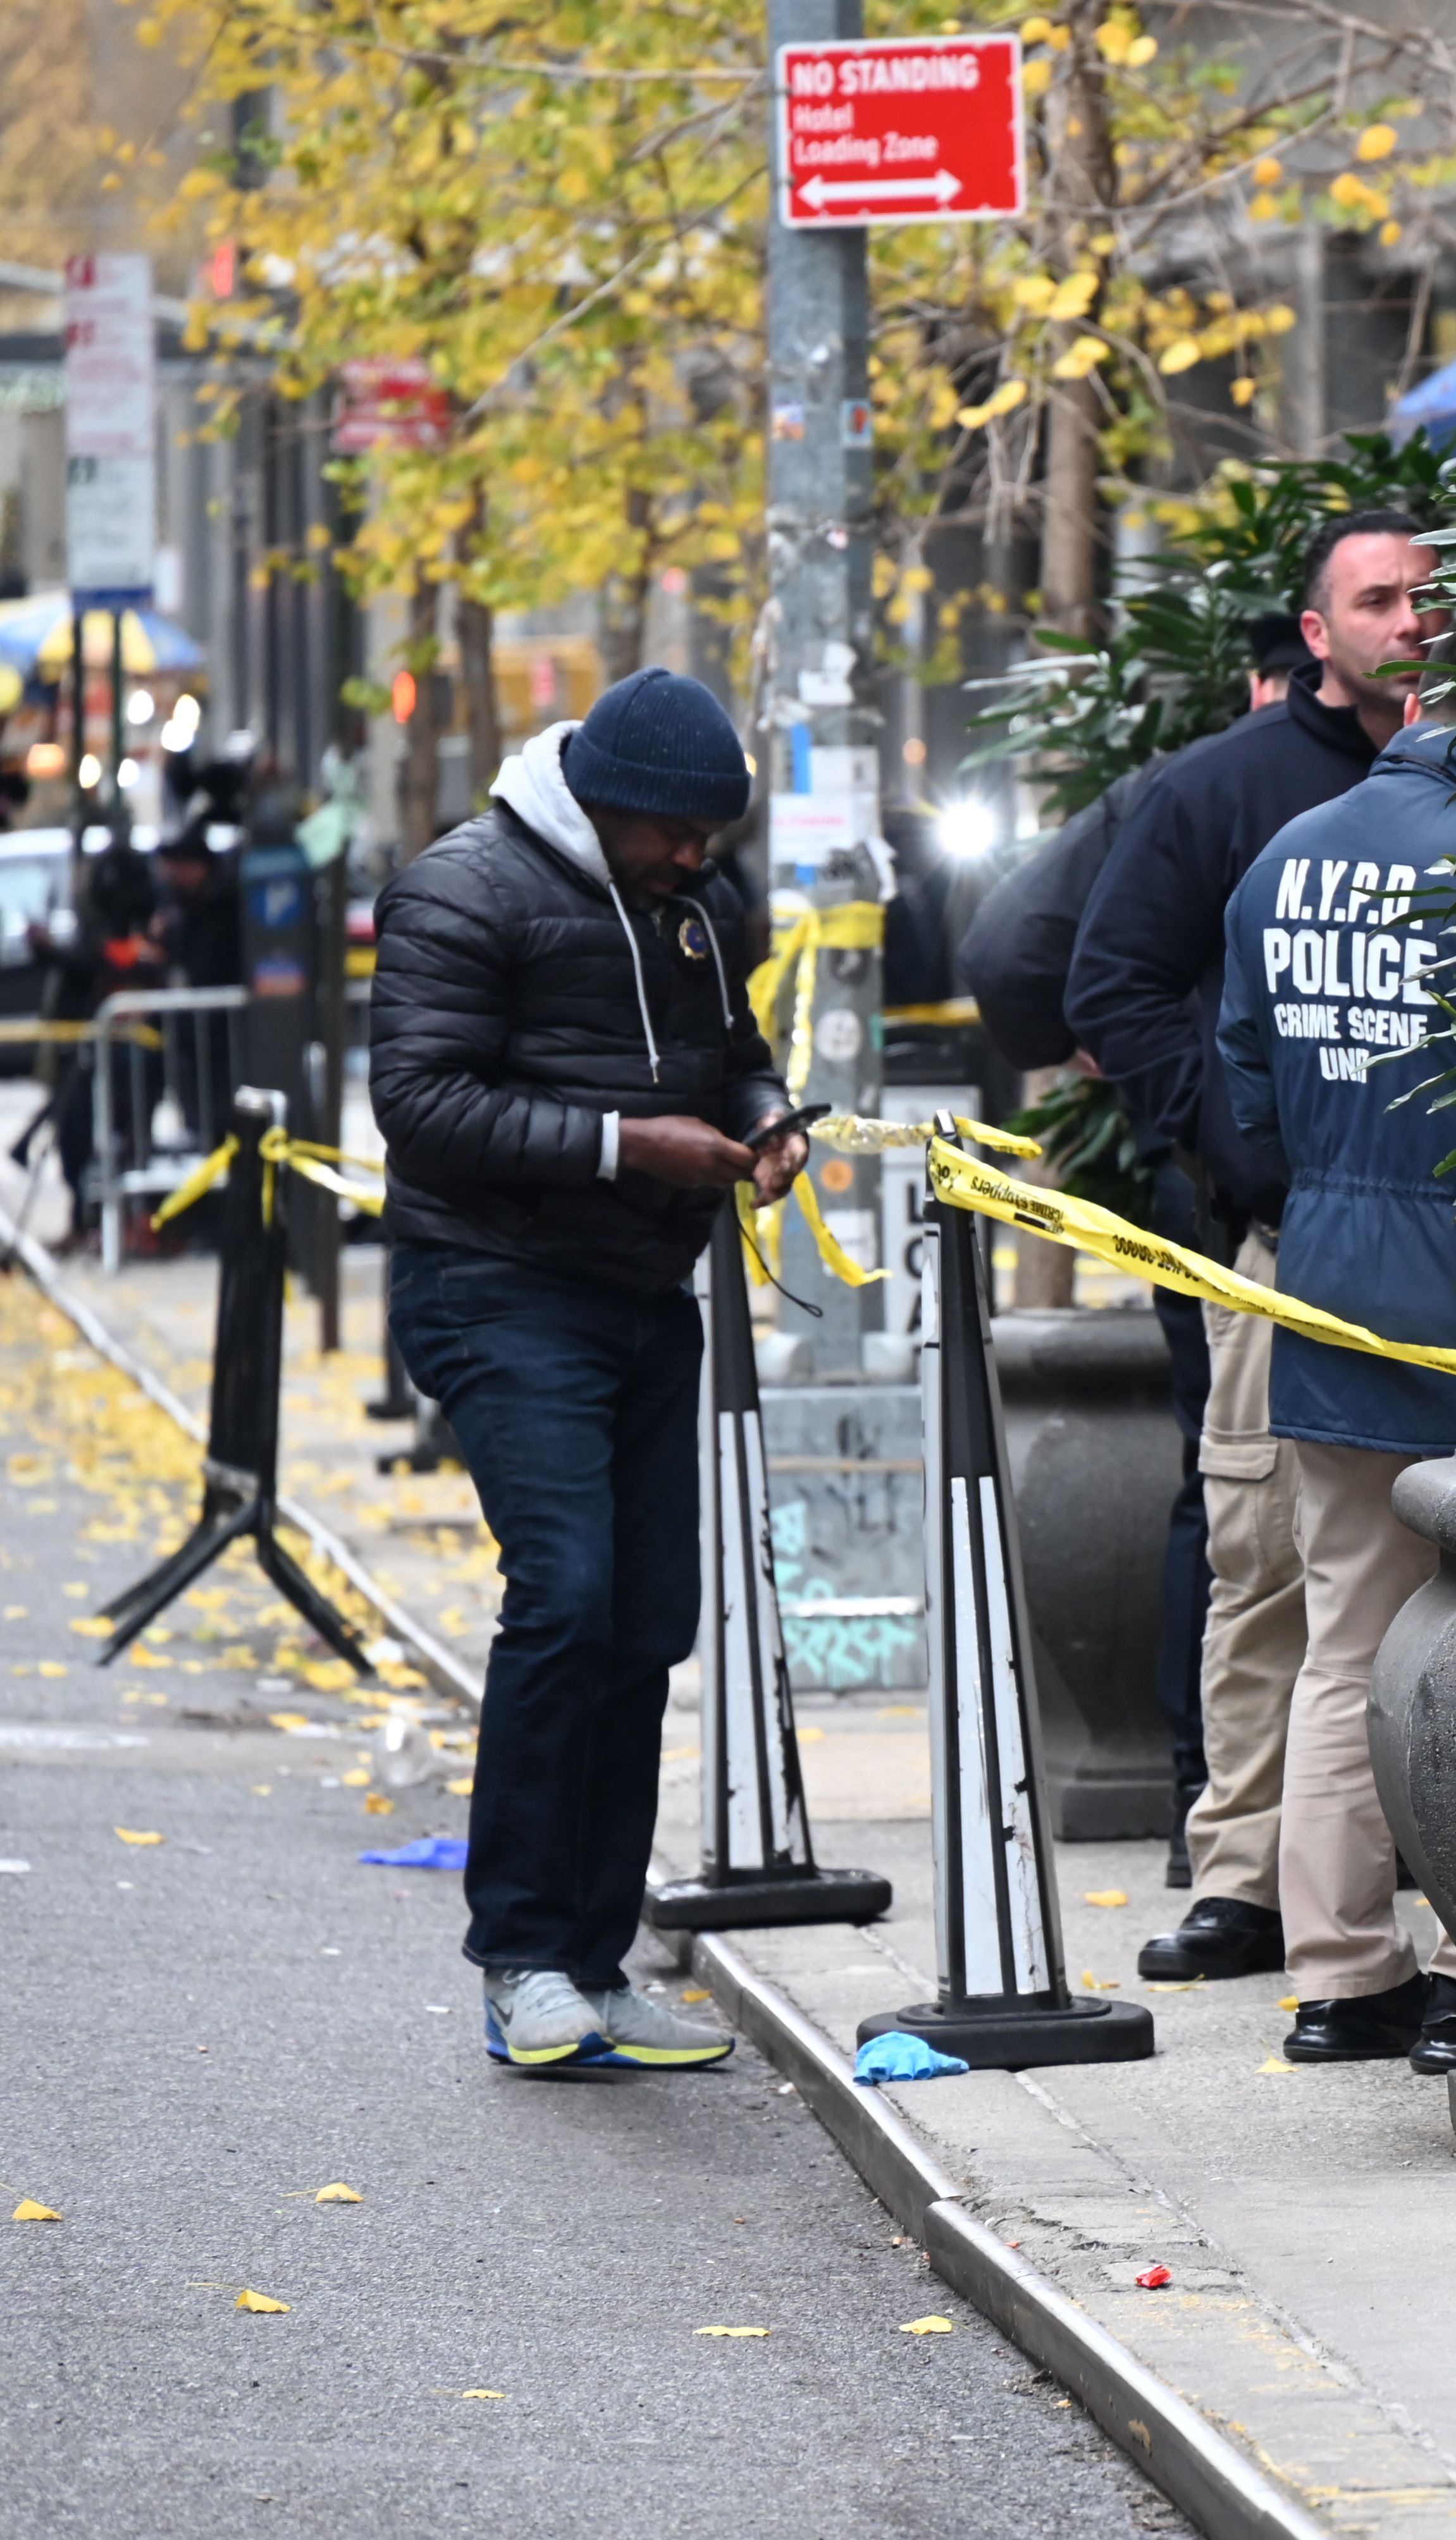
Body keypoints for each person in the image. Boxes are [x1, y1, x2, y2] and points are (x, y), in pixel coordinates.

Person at [371, 669, 808, 2068]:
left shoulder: (692, 903)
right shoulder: (462, 890)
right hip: (494, 1282)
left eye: (712, 839)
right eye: (680, 834)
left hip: (640, 1289)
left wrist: (766, 1114)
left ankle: (596, 1961)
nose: (701, 859)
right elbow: (419, 1104)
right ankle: (519, 1957)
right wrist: (632, 1144)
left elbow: (730, 1050)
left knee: (646, 1620)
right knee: (562, 1594)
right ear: (606, 801)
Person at [1068, 512, 1437, 1982]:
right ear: (1316, 634)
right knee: (1265, 1565)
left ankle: (1377, 1874)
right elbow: (1109, 979)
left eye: (1429, 596)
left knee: (1398, 1576)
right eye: (1380, 599)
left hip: (1445, 1263)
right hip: (1272, 1250)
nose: (1414, 620)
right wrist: (1232, 1148)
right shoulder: (1225, 791)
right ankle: (1240, 1872)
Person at [1213, 675, 1456, 2076]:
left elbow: (1243, 1092)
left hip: (1326, 1291)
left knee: (1346, 1645)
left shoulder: (1285, 856)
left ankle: (1336, 1974)